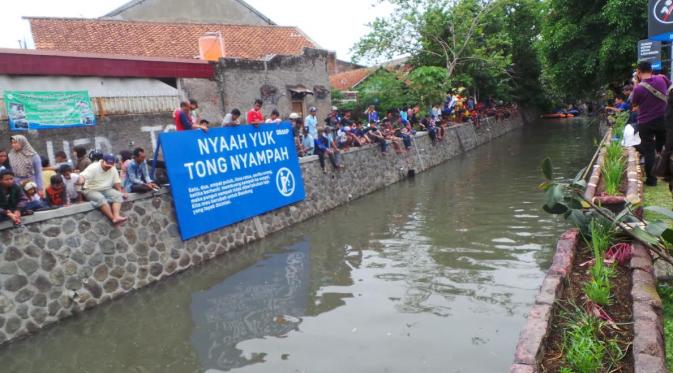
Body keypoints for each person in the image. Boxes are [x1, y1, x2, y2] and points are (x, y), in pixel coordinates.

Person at [631, 61, 671, 186]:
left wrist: (636, 83)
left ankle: (652, 180)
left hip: (645, 123)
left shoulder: (638, 88)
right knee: (666, 148)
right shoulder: (662, 79)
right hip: (663, 119)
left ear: (638, 71)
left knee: (649, 151)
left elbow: (634, 104)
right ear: (651, 69)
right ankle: (667, 175)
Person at [77, 153, 128, 224]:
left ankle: (117, 216)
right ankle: (113, 218)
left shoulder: (113, 168)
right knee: (100, 198)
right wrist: (81, 180)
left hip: (106, 189)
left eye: (111, 165)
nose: (109, 167)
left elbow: (116, 182)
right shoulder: (93, 167)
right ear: (103, 161)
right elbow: (82, 176)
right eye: (107, 165)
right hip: (91, 189)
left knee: (117, 195)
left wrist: (121, 192)